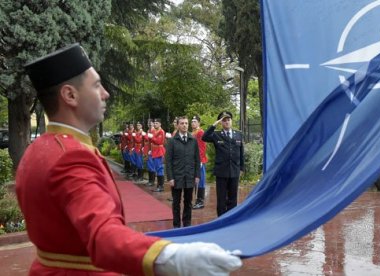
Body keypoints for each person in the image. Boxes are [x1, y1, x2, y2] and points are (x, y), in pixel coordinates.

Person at [18, 43, 241, 275]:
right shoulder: (71, 156)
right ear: (70, 95)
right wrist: (173, 258)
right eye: (96, 85)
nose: (106, 93)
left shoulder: (40, 148)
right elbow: (104, 237)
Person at [202, 111, 245, 217]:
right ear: (221, 122)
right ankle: (221, 219)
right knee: (221, 198)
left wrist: (242, 168)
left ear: (231, 121)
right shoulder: (216, 134)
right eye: (224, 120)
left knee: (233, 198)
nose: (226, 122)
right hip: (221, 171)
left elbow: (241, 152)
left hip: (234, 170)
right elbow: (204, 137)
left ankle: (231, 219)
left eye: (228, 120)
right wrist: (214, 125)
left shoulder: (238, 134)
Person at [165, 116, 200, 228]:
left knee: (188, 202)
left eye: (186, 123)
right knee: (176, 203)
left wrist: (197, 175)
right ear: (178, 125)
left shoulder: (193, 140)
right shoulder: (172, 141)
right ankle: (176, 225)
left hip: (189, 176)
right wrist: (170, 177)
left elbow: (197, 159)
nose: (184, 125)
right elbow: (168, 161)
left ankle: (187, 224)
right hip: (177, 176)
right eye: (182, 123)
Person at [191, 115, 208, 209]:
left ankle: (200, 201)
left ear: (198, 123)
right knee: (195, 180)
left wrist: (200, 160)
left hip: (199, 160)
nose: (192, 123)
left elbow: (202, 147)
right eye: (192, 121)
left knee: (200, 181)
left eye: (194, 121)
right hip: (193, 160)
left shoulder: (200, 132)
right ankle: (196, 200)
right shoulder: (193, 132)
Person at [151, 118, 167, 192]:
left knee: (160, 169)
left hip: (159, 151)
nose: (155, 124)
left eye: (157, 123)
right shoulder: (154, 130)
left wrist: (152, 137)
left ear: (160, 124)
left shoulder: (161, 131)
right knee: (157, 168)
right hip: (154, 151)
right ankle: (158, 185)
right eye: (154, 123)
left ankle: (161, 186)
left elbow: (159, 141)